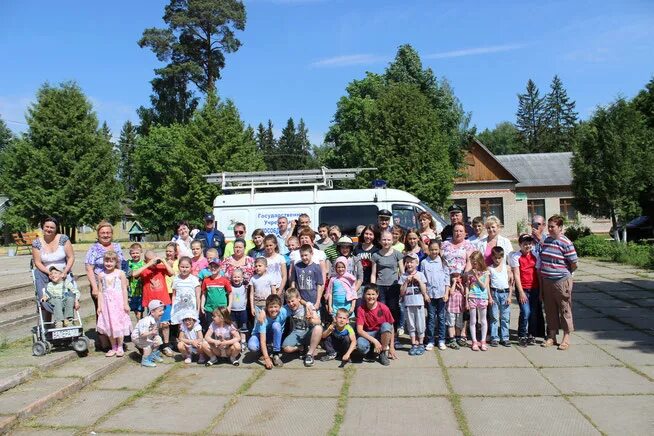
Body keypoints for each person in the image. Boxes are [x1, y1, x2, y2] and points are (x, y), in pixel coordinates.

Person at [540, 215, 578, 351]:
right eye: (548, 226)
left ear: (560, 228)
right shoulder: (547, 240)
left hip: (561, 282)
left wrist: (566, 274)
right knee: (550, 310)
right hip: (547, 281)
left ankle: (566, 337)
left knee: (564, 309)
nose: (549, 229)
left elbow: (573, 263)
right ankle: (552, 336)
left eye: (552, 227)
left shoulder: (566, 243)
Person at [85, 221, 124, 350]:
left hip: (116, 287)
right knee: (102, 312)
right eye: (103, 233)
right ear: (98, 234)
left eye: (108, 232)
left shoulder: (117, 246)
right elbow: (89, 268)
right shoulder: (93, 248)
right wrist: (95, 288)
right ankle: (105, 342)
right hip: (101, 286)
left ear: (112, 234)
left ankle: (118, 340)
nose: (106, 235)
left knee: (117, 312)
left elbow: (120, 266)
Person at [133, 250, 174, 356]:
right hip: (151, 303)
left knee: (165, 324)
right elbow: (134, 274)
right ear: (146, 260)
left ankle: (166, 345)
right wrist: (148, 264)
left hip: (163, 300)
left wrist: (163, 261)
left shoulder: (160, 268)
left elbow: (171, 273)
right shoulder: (144, 270)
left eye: (154, 259)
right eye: (150, 259)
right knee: (152, 325)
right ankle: (153, 345)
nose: (153, 262)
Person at [31, 217, 75, 309]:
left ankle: (68, 319)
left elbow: (71, 257)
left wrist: (65, 272)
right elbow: (37, 262)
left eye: (52, 228)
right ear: (43, 227)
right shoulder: (36, 243)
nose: (49, 229)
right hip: (45, 273)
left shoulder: (63, 239)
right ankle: (47, 318)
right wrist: (49, 273)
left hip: (63, 273)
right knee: (45, 293)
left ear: (56, 229)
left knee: (68, 295)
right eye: (47, 227)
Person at [95, 251, 132, 358]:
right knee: (109, 325)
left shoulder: (120, 273)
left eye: (111, 261)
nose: (109, 263)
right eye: (106, 261)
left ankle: (120, 346)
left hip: (118, 302)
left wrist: (125, 304)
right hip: (107, 304)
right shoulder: (101, 275)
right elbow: (100, 292)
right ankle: (113, 346)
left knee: (118, 324)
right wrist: (99, 306)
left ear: (116, 262)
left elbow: (124, 289)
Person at [510, 234, 545, 346]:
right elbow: (516, 274)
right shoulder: (516, 256)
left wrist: (540, 291)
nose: (527, 245)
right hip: (523, 289)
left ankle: (531, 334)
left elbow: (538, 274)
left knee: (533, 313)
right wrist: (520, 292)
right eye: (525, 244)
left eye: (529, 243)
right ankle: (521, 334)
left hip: (534, 288)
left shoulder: (536, 255)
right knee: (525, 312)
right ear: (520, 244)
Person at [371, 230, 404, 338]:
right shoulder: (375, 255)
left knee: (393, 308)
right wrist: (373, 288)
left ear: (392, 240)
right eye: (384, 239)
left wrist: (404, 285)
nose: (386, 242)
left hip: (394, 286)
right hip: (380, 286)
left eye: (389, 240)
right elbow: (373, 273)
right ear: (380, 241)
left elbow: (402, 272)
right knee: (382, 309)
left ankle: (394, 334)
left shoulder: (397, 254)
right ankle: (383, 333)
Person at [280, 288, 323, 367]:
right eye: (288, 302)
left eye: (293, 301)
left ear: (299, 298)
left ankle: (309, 354)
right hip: (297, 332)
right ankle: (301, 347)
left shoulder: (308, 305)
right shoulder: (287, 308)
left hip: (309, 332)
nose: (291, 304)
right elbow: (276, 311)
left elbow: (318, 321)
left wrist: (310, 320)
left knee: (318, 328)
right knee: (286, 348)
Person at [356, 285, 397, 366]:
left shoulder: (384, 308)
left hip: (380, 333)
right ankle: (370, 350)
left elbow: (391, 328)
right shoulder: (361, 309)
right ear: (364, 295)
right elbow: (359, 330)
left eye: (373, 294)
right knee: (361, 346)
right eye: (368, 294)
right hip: (368, 334)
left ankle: (383, 352)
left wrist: (392, 347)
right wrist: (374, 341)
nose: (371, 297)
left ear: (377, 295)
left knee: (386, 326)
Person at [421, 240, 450, 351]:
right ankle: (431, 340)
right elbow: (423, 280)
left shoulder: (443, 262)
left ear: (439, 250)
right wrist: (425, 294)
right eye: (432, 249)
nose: (434, 252)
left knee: (442, 317)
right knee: (431, 318)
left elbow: (447, 279)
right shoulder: (424, 262)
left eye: (436, 249)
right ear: (428, 249)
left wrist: (446, 292)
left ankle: (442, 339)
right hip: (430, 295)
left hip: (441, 295)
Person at [399, 253, 429, 356]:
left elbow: (424, 290)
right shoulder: (403, 276)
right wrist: (406, 282)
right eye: (407, 262)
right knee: (411, 324)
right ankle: (413, 344)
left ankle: (421, 343)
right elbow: (402, 292)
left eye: (411, 262)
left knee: (420, 324)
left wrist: (419, 281)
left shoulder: (420, 274)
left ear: (417, 263)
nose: (409, 264)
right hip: (408, 303)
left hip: (419, 303)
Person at [248, 294, 288, 369]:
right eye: (271, 307)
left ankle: (275, 354)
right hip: (259, 335)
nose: (273, 309)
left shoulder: (284, 311)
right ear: (267, 307)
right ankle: (264, 351)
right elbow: (262, 340)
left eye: (276, 307)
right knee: (252, 346)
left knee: (276, 325)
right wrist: (267, 358)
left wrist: (308, 306)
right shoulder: (262, 319)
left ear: (280, 307)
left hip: (273, 334)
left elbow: (295, 307)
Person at [466, 251, 492, 352]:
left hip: (482, 297)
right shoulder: (469, 273)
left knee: (483, 320)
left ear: (480, 261)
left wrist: (476, 276)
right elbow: (467, 287)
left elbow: (485, 286)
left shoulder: (486, 272)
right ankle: (474, 341)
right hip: (472, 297)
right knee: (473, 321)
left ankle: (483, 341)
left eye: (475, 263)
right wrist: (466, 299)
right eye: (472, 263)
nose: (473, 265)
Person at [488, 246, 512, 347]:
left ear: (503, 257)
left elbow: (511, 284)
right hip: (494, 293)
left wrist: (510, 296)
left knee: (505, 317)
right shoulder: (490, 268)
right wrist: (489, 297)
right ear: (492, 257)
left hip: (505, 294)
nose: (497, 260)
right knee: (494, 317)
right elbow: (487, 285)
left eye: (499, 257)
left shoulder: (507, 268)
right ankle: (494, 337)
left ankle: (505, 337)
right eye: (495, 257)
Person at [131, 299, 165, 367]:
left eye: (162, 310)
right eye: (160, 311)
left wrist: (162, 325)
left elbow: (155, 329)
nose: (162, 312)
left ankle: (154, 354)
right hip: (138, 337)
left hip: (149, 335)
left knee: (158, 340)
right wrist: (152, 332)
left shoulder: (157, 319)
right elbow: (142, 334)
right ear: (152, 312)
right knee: (148, 345)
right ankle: (145, 360)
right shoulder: (146, 321)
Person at [290, 244, 325, 310]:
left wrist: (318, 302)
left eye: (306, 255)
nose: (304, 257)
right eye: (302, 256)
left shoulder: (316, 267)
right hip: (301, 300)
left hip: (313, 300)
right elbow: (293, 283)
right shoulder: (297, 267)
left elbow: (319, 285)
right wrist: (295, 297)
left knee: (314, 319)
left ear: (311, 253)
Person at [200, 259, 232, 327]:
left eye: (216, 266)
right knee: (210, 326)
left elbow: (230, 293)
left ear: (220, 268)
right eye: (212, 266)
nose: (213, 268)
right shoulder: (206, 280)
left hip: (221, 309)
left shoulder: (224, 280)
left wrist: (229, 306)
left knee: (222, 326)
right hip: (209, 308)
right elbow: (204, 294)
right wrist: (202, 305)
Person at [170, 256, 201, 325]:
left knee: (190, 326)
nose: (184, 269)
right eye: (182, 267)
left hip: (190, 308)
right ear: (178, 267)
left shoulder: (194, 280)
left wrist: (198, 310)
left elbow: (198, 297)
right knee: (180, 326)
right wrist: (173, 307)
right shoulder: (176, 279)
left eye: (187, 267)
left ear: (191, 267)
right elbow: (174, 295)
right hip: (179, 307)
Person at [227, 269, 248, 351]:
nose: (236, 279)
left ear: (242, 278)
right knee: (233, 328)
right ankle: (234, 342)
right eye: (234, 277)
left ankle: (243, 342)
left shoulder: (244, 286)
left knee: (243, 327)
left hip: (242, 310)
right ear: (231, 278)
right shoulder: (230, 286)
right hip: (232, 310)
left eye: (238, 277)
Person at [445, 269, 466, 350]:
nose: (457, 278)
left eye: (459, 276)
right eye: (455, 276)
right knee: (451, 323)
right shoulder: (451, 285)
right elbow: (451, 292)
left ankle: (457, 337)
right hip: (451, 307)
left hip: (460, 308)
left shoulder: (461, 285)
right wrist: (454, 282)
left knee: (458, 324)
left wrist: (460, 285)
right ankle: (451, 339)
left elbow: (464, 293)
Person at [126, 243, 145, 321]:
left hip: (142, 290)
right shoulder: (129, 263)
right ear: (130, 254)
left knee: (140, 311)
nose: (135, 255)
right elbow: (127, 274)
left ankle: (141, 325)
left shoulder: (144, 263)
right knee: (136, 310)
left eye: (137, 253)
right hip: (132, 291)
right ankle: (140, 325)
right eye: (133, 253)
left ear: (141, 253)